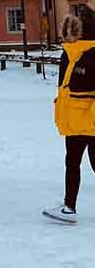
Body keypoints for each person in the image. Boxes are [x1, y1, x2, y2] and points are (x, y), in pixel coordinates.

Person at [43, 12, 95, 224]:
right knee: (74, 163)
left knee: (76, 163)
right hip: (78, 120)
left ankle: (69, 206)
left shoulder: (83, 55)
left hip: (84, 121)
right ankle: (68, 207)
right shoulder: (70, 55)